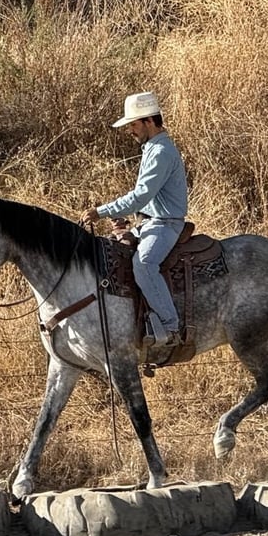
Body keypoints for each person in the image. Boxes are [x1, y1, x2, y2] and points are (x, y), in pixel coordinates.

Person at [80, 92, 188, 349]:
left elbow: (140, 196)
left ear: (150, 121)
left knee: (144, 264)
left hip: (165, 224)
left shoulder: (161, 151)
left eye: (133, 124)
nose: (130, 130)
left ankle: (171, 327)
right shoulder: (152, 148)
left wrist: (101, 211)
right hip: (150, 223)